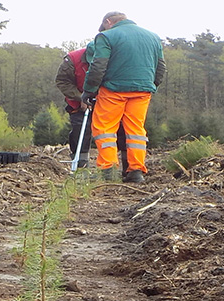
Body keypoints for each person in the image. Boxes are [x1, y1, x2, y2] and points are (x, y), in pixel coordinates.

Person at [82, 11, 165, 183]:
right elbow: (161, 67)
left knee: (105, 128)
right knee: (136, 131)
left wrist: (89, 90)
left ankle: (108, 171)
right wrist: (151, 86)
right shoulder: (153, 37)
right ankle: (136, 171)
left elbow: (98, 66)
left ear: (108, 22)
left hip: (113, 90)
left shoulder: (106, 36)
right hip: (142, 92)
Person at [55, 43, 128, 173]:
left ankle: (125, 167)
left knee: (121, 130)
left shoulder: (116, 59)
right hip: (79, 101)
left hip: (109, 99)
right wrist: (80, 97)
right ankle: (81, 166)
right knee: (80, 130)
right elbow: (62, 81)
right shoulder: (72, 60)